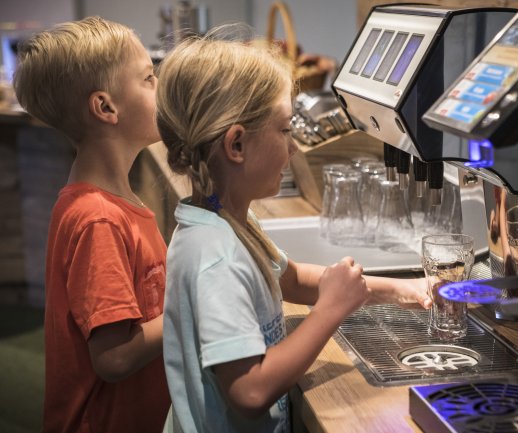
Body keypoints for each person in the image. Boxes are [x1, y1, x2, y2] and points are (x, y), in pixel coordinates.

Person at [156, 25, 431, 433]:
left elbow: (292, 279)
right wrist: (330, 311)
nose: (293, 148)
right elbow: (249, 391)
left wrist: (397, 290)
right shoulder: (214, 255)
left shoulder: (225, 218)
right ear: (236, 145)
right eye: (285, 130)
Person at [13, 17, 170, 432]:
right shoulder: (98, 219)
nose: (161, 90)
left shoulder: (116, 202)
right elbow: (115, 356)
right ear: (105, 107)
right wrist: (198, 305)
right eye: (149, 79)